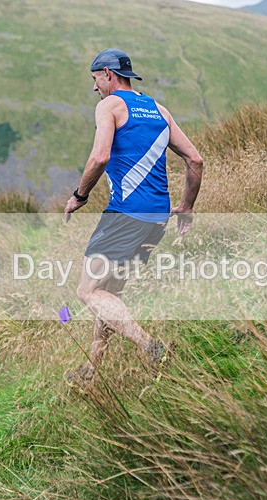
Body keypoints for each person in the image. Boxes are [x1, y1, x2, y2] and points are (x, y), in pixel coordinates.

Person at [64, 48, 203, 387]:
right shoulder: (159, 110)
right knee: (111, 292)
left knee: (87, 291)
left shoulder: (109, 106)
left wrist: (80, 196)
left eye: (95, 79)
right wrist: (186, 206)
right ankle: (91, 371)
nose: (95, 88)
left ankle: (151, 347)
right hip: (157, 217)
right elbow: (196, 160)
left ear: (109, 74)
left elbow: (99, 157)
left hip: (126, 214)